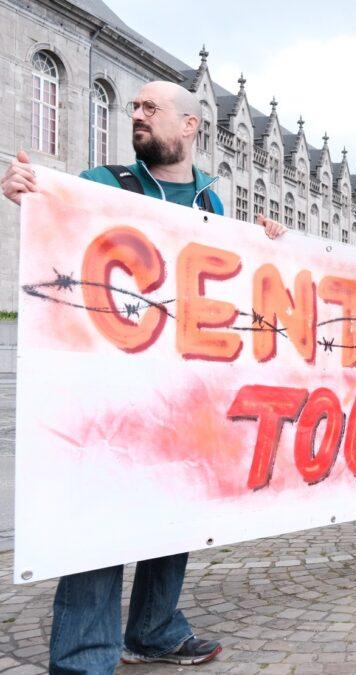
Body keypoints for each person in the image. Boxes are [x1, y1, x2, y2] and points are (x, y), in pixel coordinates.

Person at [3, 80, 286, 673]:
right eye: (132, 106)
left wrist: (269, 250)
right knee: (100, 519)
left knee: (174, 506)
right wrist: (27, 192)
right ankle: (83, 657)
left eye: (150, 108)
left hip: (186, 391)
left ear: (189, 126)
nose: (136, 114)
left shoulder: (212, 204)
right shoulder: (105, 183)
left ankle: (154, 629)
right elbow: (57, 222)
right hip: (106, 390)